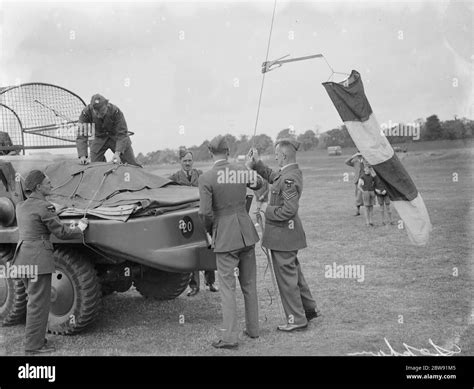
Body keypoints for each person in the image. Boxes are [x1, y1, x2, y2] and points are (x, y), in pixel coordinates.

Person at [11, 170, 88, 354]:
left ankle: (36, 340)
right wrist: (80, 227)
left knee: (33, 302)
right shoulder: (46, 208)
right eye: (48, 183)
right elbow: (62, 233)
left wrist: (52, 209)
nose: (51, 185)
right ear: (38, 187)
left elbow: (36, 215)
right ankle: (33, 346)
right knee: (39, 304)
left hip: (22, 259)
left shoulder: (20, 206)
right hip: (38, 260)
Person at [247, 137, 319, 332]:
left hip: (284, 237)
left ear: (285, 155)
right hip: (287, 236)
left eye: (277, 155)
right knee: (294, 274)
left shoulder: (290, 178)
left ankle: (296, 319)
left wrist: (264, 209)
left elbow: (288, 210)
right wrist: (257, 163)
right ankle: (308, 309)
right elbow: (272, 176)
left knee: (287, 280)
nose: (276, 158)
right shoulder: (287, 173)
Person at [198, 135, 260, 349]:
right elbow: (259, 183)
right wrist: (250, 166)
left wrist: (210, 231)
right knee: (249, 284)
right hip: (246, 233)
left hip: (224, 236)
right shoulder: (240, 169)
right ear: (228, 151)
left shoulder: (206, 178)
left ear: (210, 152)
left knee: (227, 288)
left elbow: (205, 213)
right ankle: (253, 329)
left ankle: (230, 338)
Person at [169, 148, 217, 296]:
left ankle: (211, 282)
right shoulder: (174, 178)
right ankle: (194, 286)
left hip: (202, 216)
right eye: (185, 161)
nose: (188, 163)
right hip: (187, 220)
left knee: (208, 248)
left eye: (190, 160)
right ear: (180, 162)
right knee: (192, 251)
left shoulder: (200, 175)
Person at [76, 94, 140, 166]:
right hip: (98, 138)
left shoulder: (116, 112)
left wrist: (117, 153)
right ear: (92, 108)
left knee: (132, 164)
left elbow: (122, 134)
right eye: (96, 113)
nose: (99, 115)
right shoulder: (85, 113)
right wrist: (82, 156)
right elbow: (81, 134)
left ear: (107, 105)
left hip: (116, 137)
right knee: (94, 166)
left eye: (102, 111)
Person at [344, 152, 364, 216]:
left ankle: (368, 210)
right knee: (358, 196)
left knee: (367, 195)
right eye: (359, 154)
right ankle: (357, 211)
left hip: (366, 179)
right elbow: (346, 162)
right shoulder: (355, 161)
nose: (360, 155)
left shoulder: (366, 160)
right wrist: (353, 156)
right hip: (357, 180)